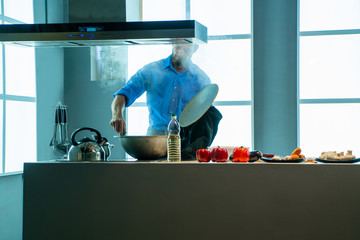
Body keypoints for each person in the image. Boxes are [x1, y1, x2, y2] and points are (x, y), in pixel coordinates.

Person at [110, 43, 222, 159]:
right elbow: (123, 94)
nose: (180, 52)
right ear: (173, 44)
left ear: (195, 48)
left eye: (186, 49)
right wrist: (116, 114)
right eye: (178, 47)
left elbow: (206, 116)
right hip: (155, 140)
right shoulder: (151, 70)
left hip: (185, 141)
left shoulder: (201, 79)